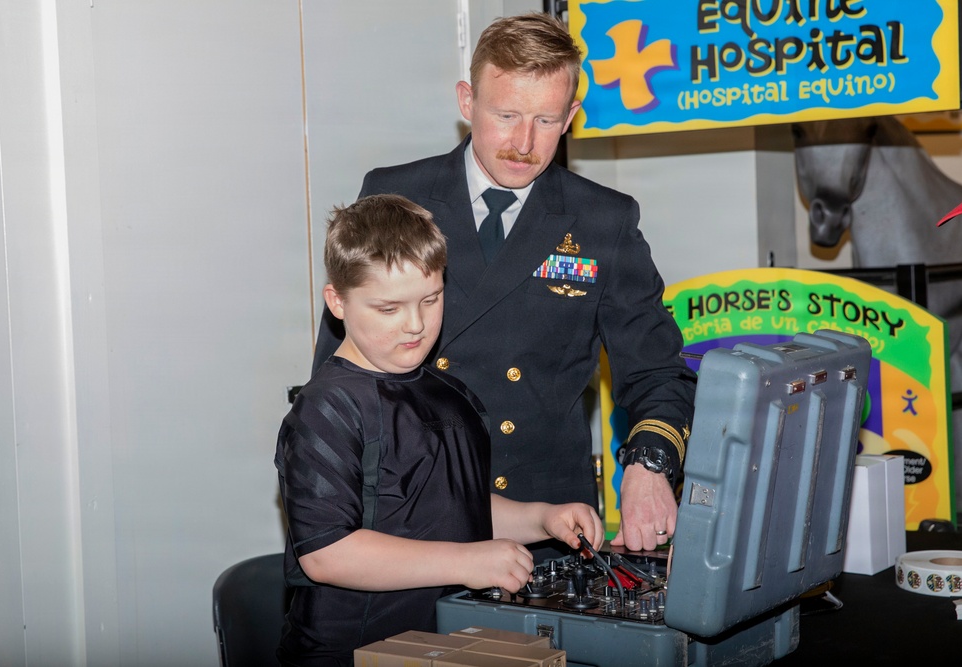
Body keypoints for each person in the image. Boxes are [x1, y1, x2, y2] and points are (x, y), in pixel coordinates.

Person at [313, 12, 696, 554]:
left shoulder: (602, 220)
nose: (523, 142)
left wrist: (649, 465)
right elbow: (338, 370)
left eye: (546, 120)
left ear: (571, 117)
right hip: (411, 511)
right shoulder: (397, 194)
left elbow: (657, 373)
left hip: (550, 524)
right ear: (467, 101)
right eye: (506, 115)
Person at [276, 194, 604, 666]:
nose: (415, 325)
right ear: (338, 302)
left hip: (448, 645)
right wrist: (466, 561)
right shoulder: (326, 409)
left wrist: (541, 518)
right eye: (388, 309)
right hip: (355, 653)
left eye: (430, 300)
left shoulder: (450, 393)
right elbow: (327, 553)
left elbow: (454, 507)